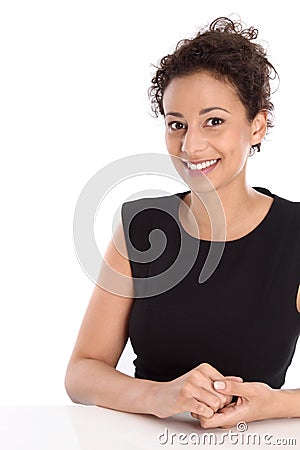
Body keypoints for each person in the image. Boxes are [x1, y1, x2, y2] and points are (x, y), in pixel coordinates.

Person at [65, 17, 300, 428]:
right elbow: (81, 373)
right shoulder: (140, 225)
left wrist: (269, 404)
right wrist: (158, 395)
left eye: (214, 121)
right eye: (177, 124)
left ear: (257, 125)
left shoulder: (295, 233)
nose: (190, 145)